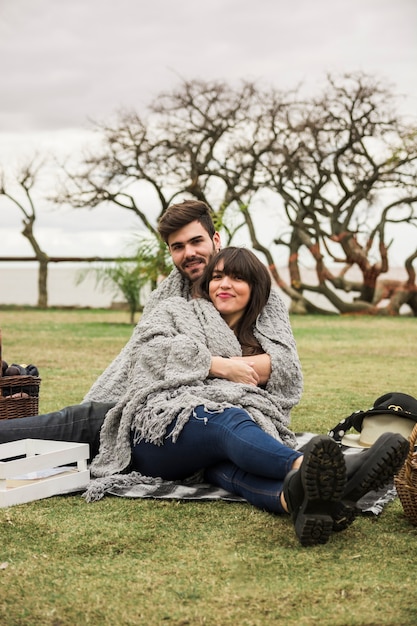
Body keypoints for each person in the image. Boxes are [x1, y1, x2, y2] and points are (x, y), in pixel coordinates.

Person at [85, 247, 409, 547]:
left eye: (237, 277)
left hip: (209, 454)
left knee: (231, 472)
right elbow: (148, 353)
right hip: (158, 432)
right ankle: (313, 467)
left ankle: (301, 499)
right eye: (217, 276)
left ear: (256, 288)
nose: (224, 284)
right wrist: (217, 366)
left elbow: (288, 378)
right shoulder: (178, 311)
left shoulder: (265, 338)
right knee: (225, 418)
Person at [0, 200, 303, 456]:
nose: (189, 253)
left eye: (196, 241)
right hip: (149, 400)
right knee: (79, 421)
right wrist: (216, 365)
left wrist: (213, 368)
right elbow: (146, 357)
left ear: (216, 240)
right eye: (177, 247)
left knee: (80, 425)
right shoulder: (167, 298)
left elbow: (283, 366)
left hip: (205, 414)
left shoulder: (254, 291)